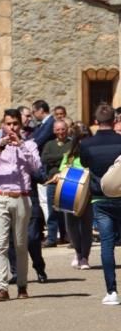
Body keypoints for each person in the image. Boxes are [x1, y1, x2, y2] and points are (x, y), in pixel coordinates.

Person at [0, 108, 42, 301]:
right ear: (3, 125)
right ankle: (2, 286)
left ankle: (22, 285)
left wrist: (22, 146)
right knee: (1, 243)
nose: (11, 128)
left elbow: (36, 167)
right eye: (8, 124)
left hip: (22, 197)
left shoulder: (30, 144)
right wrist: (0, 147)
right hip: (1, 196)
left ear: (20, 125)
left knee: (20, 244)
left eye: (15, 124)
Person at [79, 103, 121, 305]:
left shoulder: (87, 144)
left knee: (107, 244)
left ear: (95, 122)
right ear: (115, 121)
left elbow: (85, 164)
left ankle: (112, 291)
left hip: (100, 198)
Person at [47, 123, 92, 271]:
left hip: (87, 195)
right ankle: (78, 253)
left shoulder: (92, 154)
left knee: (86, 226)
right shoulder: (70, 156)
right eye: (81, 139)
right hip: (70, 195)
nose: (83, 142)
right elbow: (63, 171)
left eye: (86, 138)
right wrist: (58, 176)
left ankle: (85, 256)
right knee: (71, 227)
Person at [40, 119, 72, 247]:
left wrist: (55, 159)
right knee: (52, 211)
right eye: (58, 129)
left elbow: (71, 158)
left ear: (67, 129)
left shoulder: (71, 143)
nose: (60, 132)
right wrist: (62, 157)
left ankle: (68, 236)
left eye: (63, 129)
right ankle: (52, 238)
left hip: (67, 181)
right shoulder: (49, 144)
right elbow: (44, 159)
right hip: (52, 181)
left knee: (68, 211)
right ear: (54, 131)